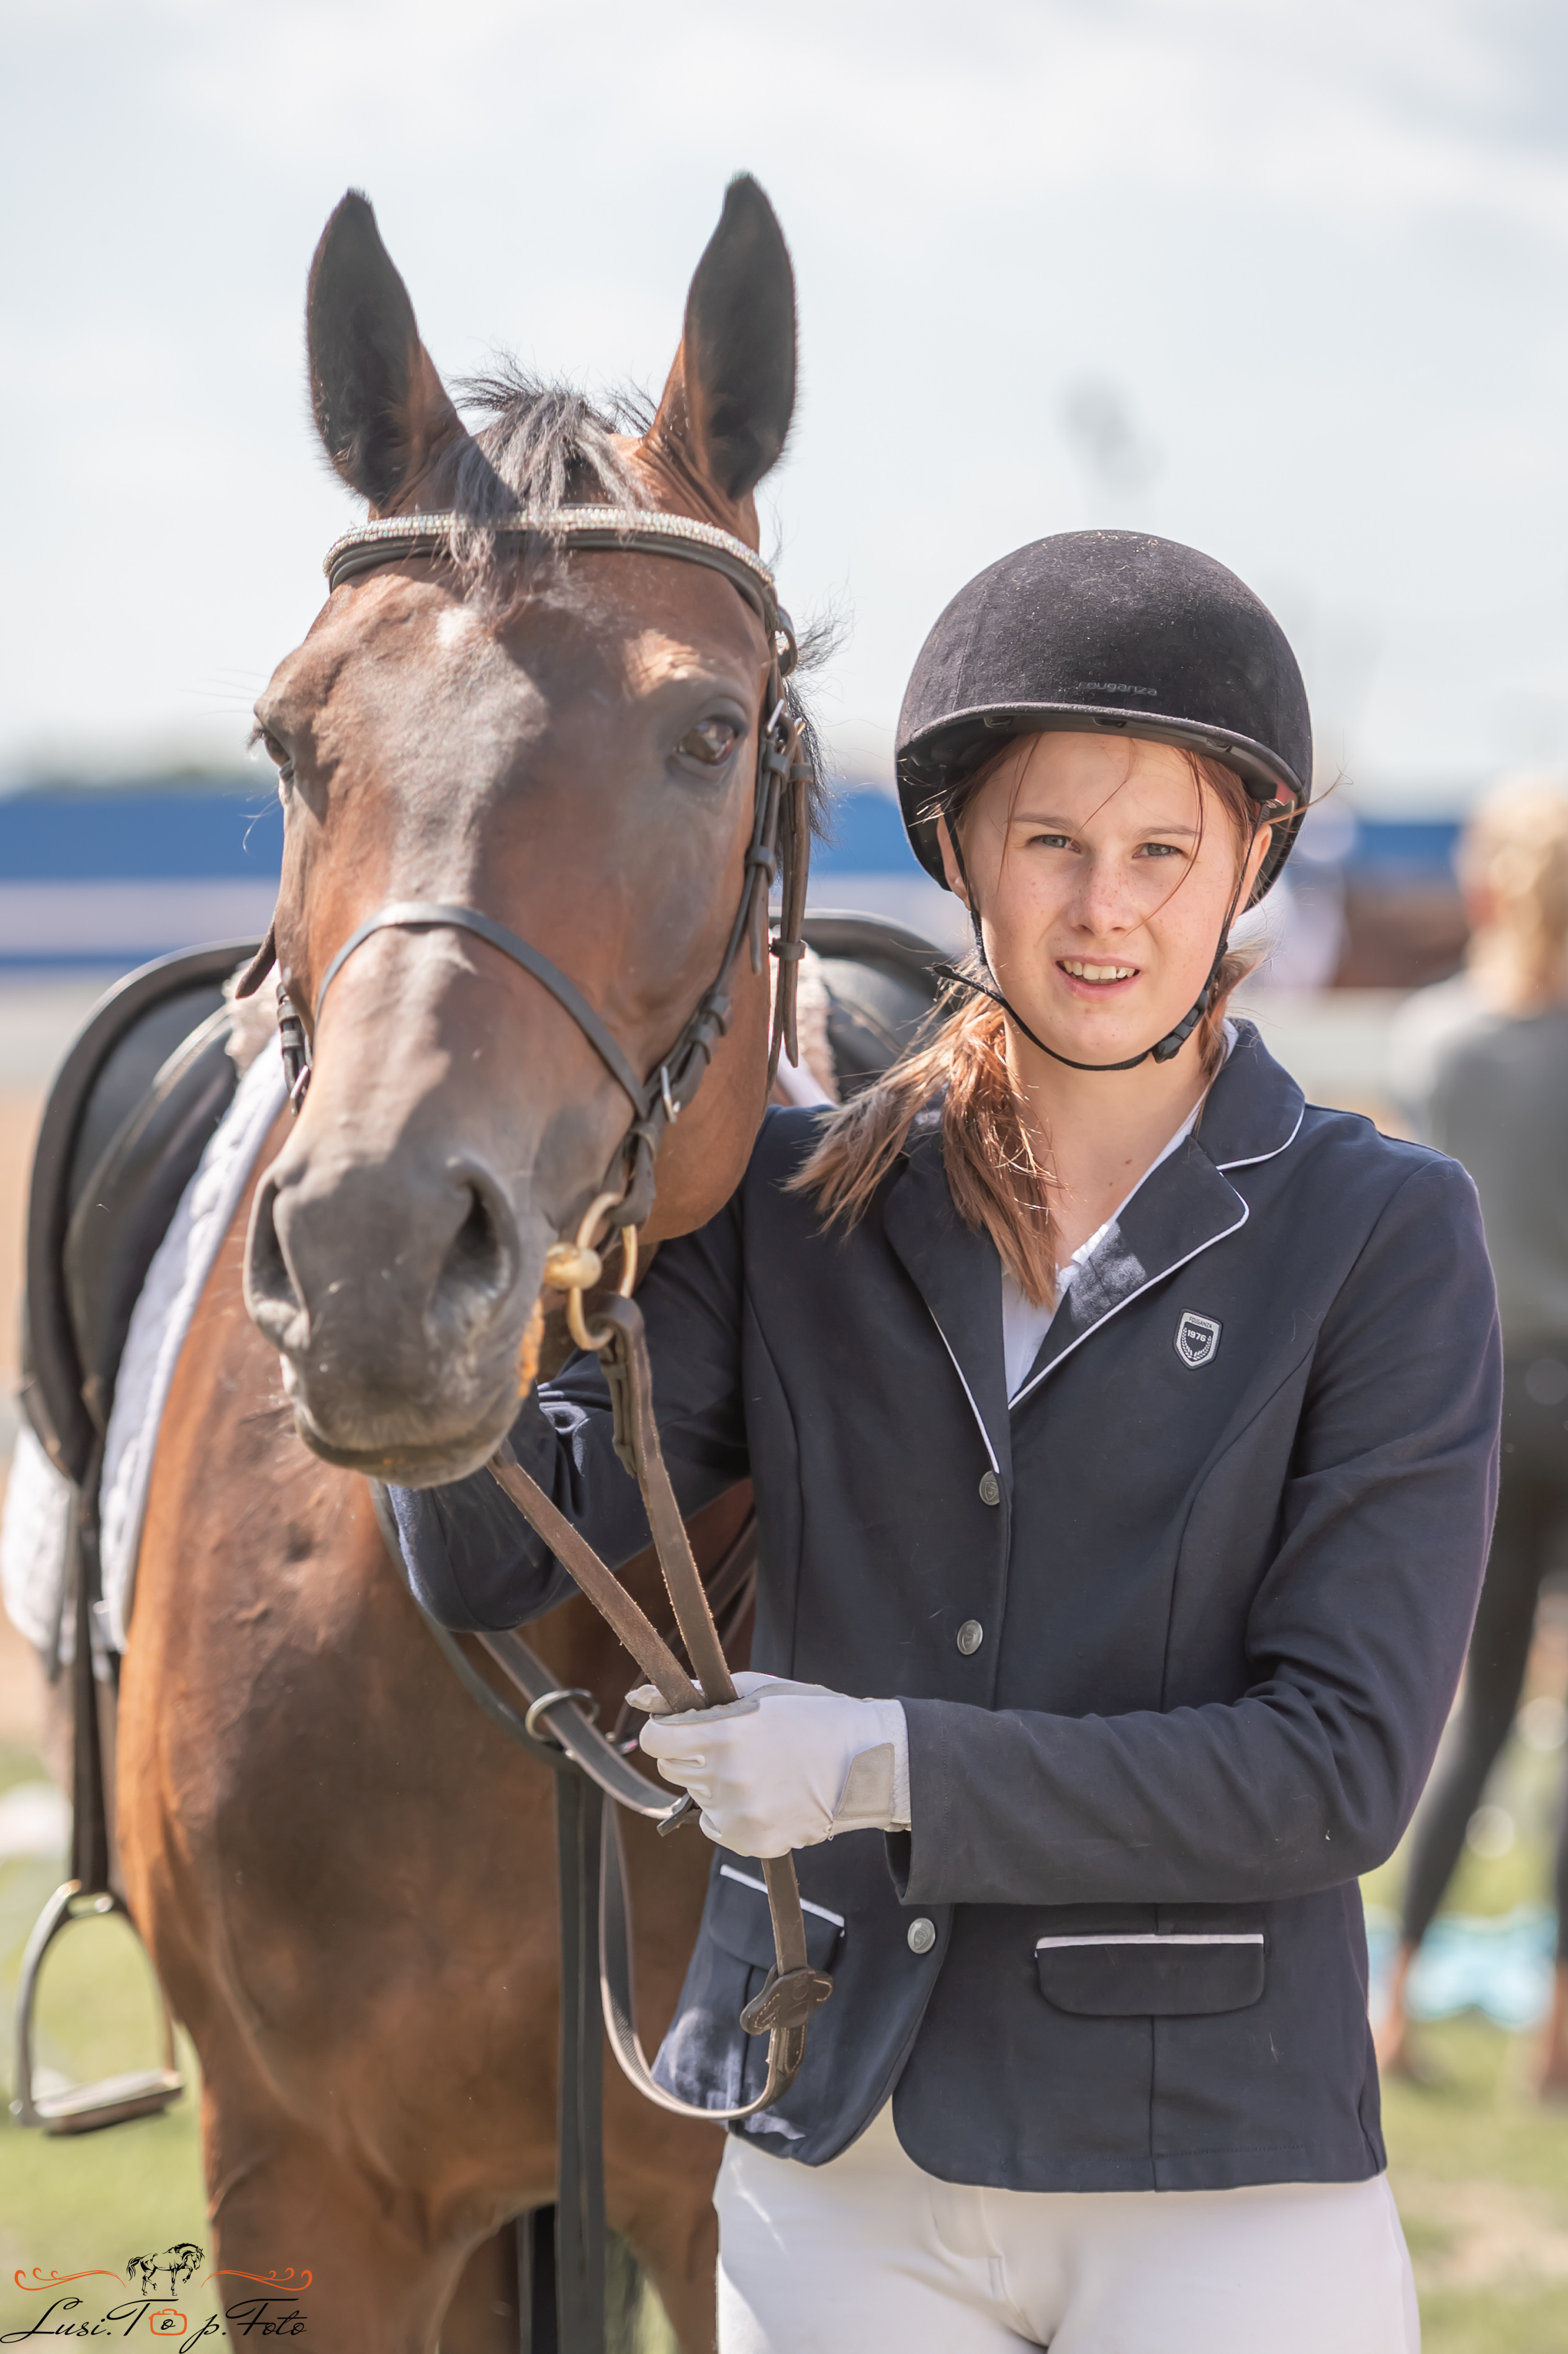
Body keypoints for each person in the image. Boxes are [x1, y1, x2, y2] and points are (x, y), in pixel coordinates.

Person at [393, 532, 1500, 2353]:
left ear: (1247, 864)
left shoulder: (1378, 1236)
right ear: (960, 856)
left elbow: (1330, 1774)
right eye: (1050, 845)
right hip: (832, 2171)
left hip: (1216, 2172)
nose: (1103, 912)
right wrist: (444, 1243)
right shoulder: (779, 1203)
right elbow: (496, 1550)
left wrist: (882, 1762)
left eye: (1161, 855)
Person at [1379, 777, 1568, 2092]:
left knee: (1477, 1719)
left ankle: (1390, 2010)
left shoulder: (1430, 1041)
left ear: (1488, 884)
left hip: (1486, 1409)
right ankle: (1557, 2038)